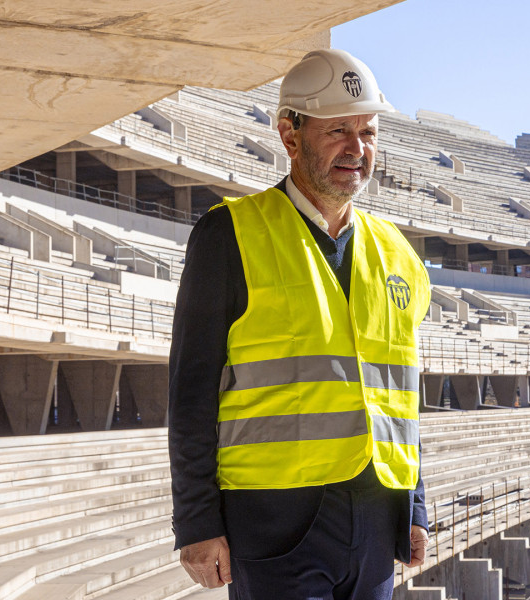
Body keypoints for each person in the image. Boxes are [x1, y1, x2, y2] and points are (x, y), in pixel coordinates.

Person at [168, 48, 431, 600]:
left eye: (368, 132)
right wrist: (197, 523)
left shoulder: (400, 256)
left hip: (377, 518)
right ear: (290, 135)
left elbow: (401, 400)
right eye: (338, 130)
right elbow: (191, 394)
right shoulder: (229, 236)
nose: (357, 149)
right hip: (273, 522)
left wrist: (416, 505)